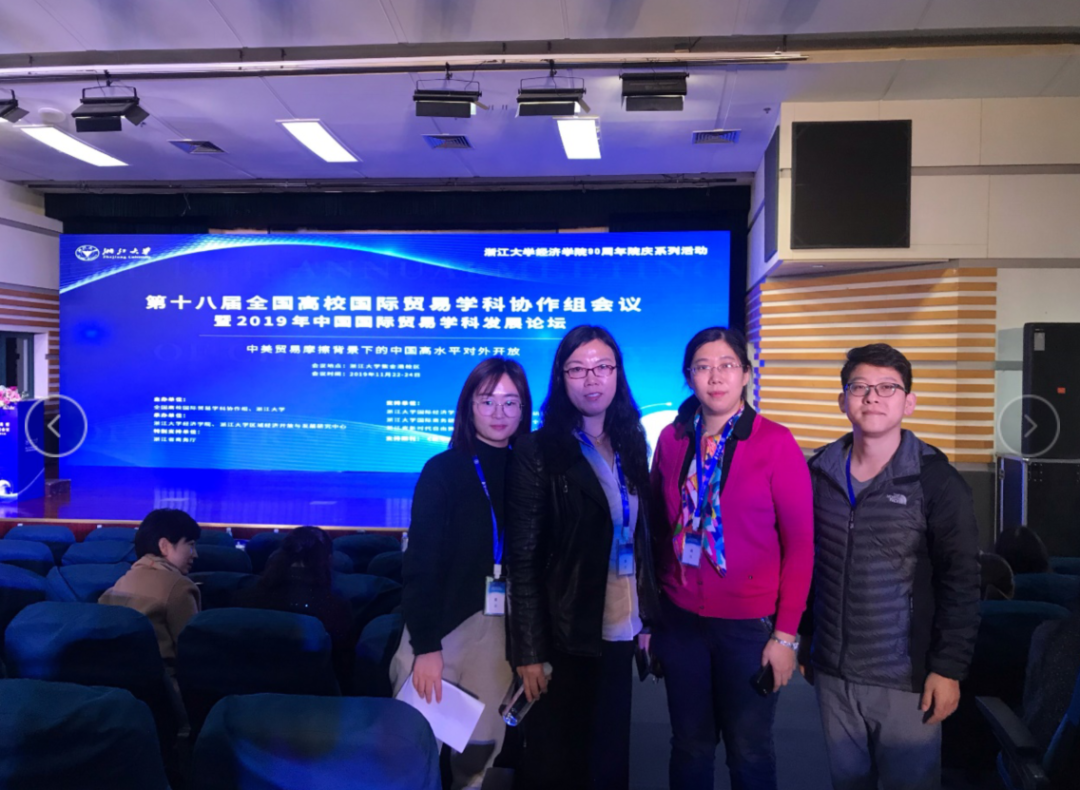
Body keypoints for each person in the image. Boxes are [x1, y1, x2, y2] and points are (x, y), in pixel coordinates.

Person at [799, 343, 981, 790]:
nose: (872, 397)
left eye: (887, 388)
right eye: (859, 387)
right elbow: (806, 563)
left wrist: (948, 668)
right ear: (843, 400)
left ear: (908, 402)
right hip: (833, 674)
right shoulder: (817, 473)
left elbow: (961, 581)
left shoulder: (935, 481)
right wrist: (806, 640)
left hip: (905, 680)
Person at [649, 326, 814, 790]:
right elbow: (658, 529)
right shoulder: (672, 439)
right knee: (689, 746)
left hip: (749, 628)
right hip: (681, 621)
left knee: (749, 750)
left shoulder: (775, 442)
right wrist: (652, 617)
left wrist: (786, 636)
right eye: (703, 367)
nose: (715, 376)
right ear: (689, 377)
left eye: (727, 365)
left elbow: (801, 546)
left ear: (745, 374)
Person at [507, 325, 661, 790]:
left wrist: (646, 618)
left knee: (609, 760)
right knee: (560, 763)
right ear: (561, 377)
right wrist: (530, 653)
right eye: (577, 369)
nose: (591, 379)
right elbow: (524, 560)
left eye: (602, 367)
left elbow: (642, 538)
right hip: (566, 631)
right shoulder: (538, 451)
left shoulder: (631, 443)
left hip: (619, 629)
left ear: (617, 374)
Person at [390, 356, 532, 790]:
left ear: (524, 409)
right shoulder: (443, 470)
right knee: (411, 757)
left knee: (478, 760)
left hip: (500, 636)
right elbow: (420, 564)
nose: (499, 412)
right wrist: (426, 647)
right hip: (439, 632)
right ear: (469, 406)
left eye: (511, 402)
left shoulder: (532, 473)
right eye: (487, 401)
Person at [232, 526, 354, 685]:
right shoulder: (337, 608)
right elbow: (342, 668)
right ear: (329, 559)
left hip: (251, 691)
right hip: (314, 694)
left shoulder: (244, 599)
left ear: (279, 556)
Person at [100, 508, 202, 671]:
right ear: (164, 546)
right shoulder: (179, 587)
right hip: (160, 682)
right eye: (190, 545)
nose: (195, 554)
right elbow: (193, 651)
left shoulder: (120, 583)